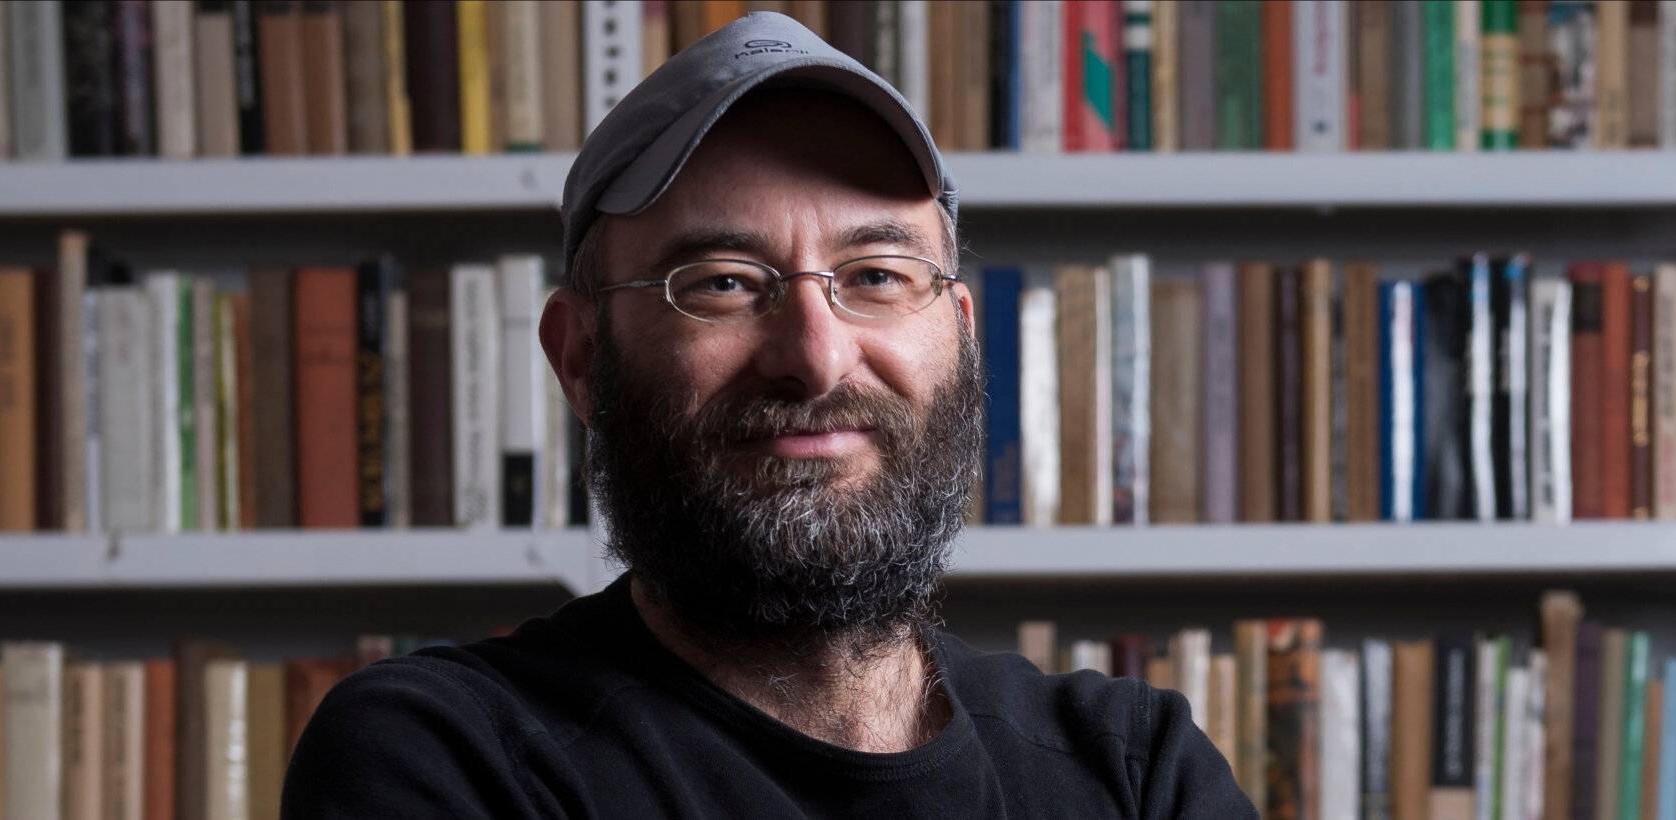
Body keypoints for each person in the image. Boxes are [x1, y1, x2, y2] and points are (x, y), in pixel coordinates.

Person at [282, 12, 1254, 819]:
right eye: (723, 282)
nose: (816, 356)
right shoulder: (452, 754)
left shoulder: (1134, 768)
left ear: (960, 334)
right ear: (581, 358)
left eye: (876, 275)